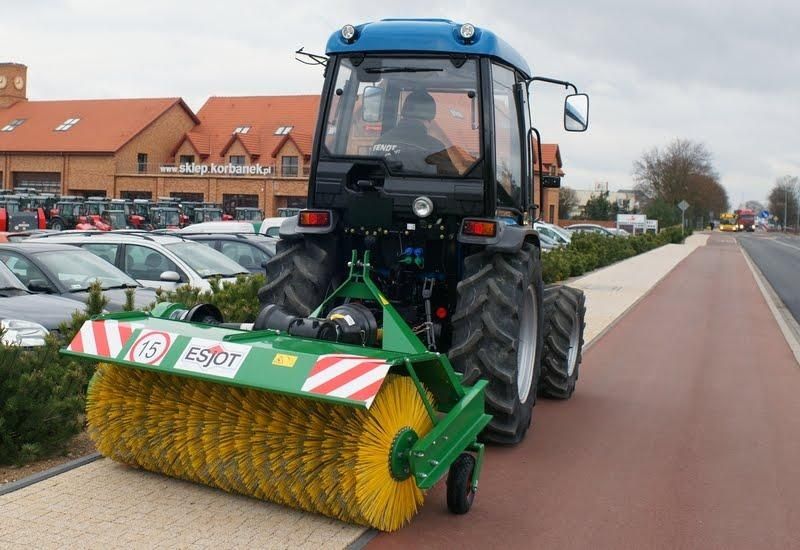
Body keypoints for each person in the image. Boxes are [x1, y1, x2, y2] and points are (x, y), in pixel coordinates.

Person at [370, 91, 455, 174]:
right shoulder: (435, 148)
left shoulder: (378, 143)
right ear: (430, 119)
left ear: (404, 114)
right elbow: (451, 180)